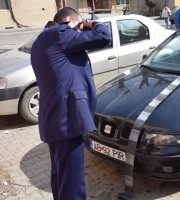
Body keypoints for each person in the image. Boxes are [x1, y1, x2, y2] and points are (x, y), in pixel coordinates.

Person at [30, 7, 111, 200]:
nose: (80, 32)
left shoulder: (40, 41)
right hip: (67, 120)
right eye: (80, 26)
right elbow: (103, 36)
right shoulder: (60, 32)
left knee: (61, 176)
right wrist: (93, 23)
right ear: (69, 20)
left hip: (53, 120)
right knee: (73, 182)